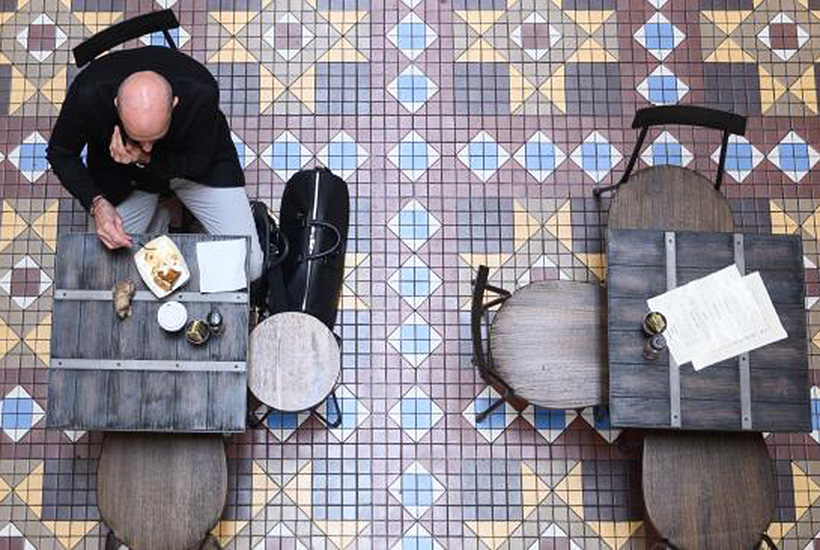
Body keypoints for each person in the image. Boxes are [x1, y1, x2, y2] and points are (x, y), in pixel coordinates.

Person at [47, 45, 263, 281]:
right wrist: (97, 205)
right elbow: (61, 153)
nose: (148, 146)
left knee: (249, 266)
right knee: (106, 272)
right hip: (124, 179)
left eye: (155, 138)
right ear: (116, 104)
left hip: (191, 171)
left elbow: (199, 163)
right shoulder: (87, 96)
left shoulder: (201, 93)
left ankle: (172, 208)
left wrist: (144, 158)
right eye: (139, 139)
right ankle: (163, 214)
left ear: (175, 104)